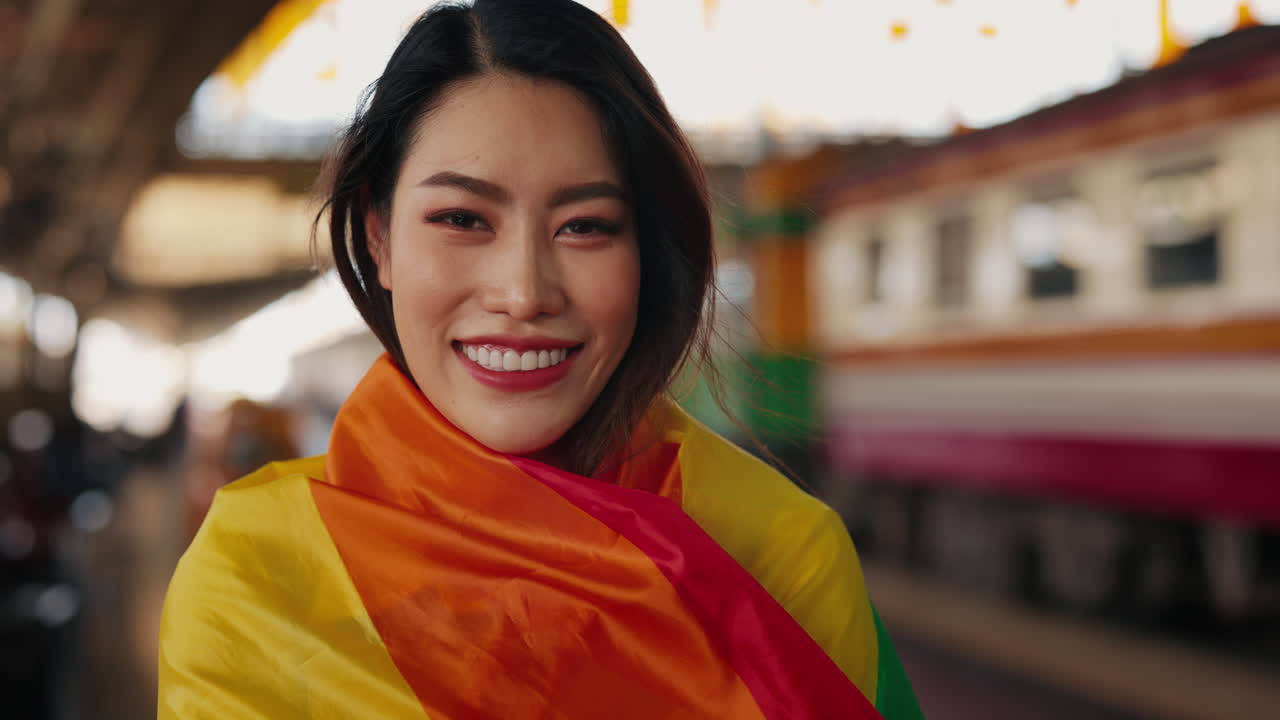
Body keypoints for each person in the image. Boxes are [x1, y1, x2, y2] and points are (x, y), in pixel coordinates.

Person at [157, 1, 923, 718]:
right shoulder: (253, 575)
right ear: (380, 238)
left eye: (585, 227)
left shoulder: (786, 553)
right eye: (462, 218)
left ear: (647, 254)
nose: (523, 292)